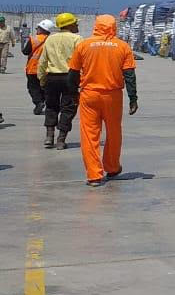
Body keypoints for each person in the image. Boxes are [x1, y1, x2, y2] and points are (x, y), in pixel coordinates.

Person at [68, 15, 138, 187]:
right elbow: (129, 75)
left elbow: (73, 73)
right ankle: (112, 167)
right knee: (114, 132)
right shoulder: (123, 46)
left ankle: (94, 175)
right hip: (113, 96)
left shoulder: (84, 45)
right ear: (113, 27)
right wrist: (133, 98)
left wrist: (73, 94)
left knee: (89, 135)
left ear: (96, 26)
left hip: (89, 95)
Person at [38, 13, 83, 149]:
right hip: (70, 77)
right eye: (75, 23)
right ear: (70, 25)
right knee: (68, 108)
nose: (77, 25)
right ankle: (61, 139)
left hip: (52, 77)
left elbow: (43, 61)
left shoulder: (50, 39)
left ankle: (49, 136)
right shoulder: (77, 39)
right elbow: (83, 61)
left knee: (51, 106)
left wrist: (42, 79)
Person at [22, 19, 55, 115]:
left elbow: (25, 52)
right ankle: (45, 102)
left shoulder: (33, 39)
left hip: (32, 69)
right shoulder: (52, 40)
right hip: (47, 69)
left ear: (41, 29)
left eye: (38, 28)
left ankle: (38, 102)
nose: (37, 29)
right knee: (44, 87)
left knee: (33, 88)